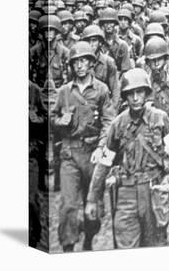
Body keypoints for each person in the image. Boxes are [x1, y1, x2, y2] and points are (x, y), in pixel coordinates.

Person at [85, 69, 169, 248]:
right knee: (126, 246)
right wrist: (92, 198)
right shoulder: (118, 124)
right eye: (131, 94)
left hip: (153, 192)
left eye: (139, 92)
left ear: (146, 93)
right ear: (125, 97)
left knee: (155, 245)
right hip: (126, 194)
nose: (135, 98)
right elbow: (104, 162)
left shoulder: (160, 119)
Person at [51, 41, 113, 251]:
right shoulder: (64, 92)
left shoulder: (102, 90)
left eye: (84, 61)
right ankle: (68, 246)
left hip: (92, 153)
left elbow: (108, 122)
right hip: (69, 152)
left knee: (92, 206)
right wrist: (61, 121)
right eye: (75, 62)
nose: (79, 65)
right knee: (68, 205)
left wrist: (101, 146)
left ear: (91, 63)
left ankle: (88, 239)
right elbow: (52, 118)